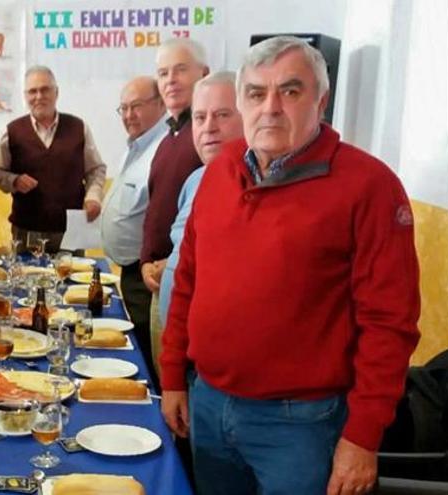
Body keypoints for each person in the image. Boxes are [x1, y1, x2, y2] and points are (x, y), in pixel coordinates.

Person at [160, 36, 421, 495]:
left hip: (301, 425)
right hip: (209, 404)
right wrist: (173, 377)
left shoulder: (370, 187)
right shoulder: (219, 174)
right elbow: (188, 282)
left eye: (291, 90)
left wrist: (363, 436)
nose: (272, 107)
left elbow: (390, 323)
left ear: (321, 101)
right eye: (257, 93)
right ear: (242, 101)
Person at [140, 38, 208, 377]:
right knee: (164, 382)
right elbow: (158, 209)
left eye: (180, 70)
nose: (170, 80)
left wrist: (172, 260)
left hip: (184, 283)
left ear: (204, 74)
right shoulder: (170, 137)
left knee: (177, 389)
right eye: (163, 73)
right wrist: (146, 261)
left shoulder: (208, 139)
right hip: (157, 279)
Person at [156, 71, 242, 339]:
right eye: (200, 117)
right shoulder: (195, 180)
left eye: (222, 115)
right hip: (177, 343)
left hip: (216, 353)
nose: (209, 127)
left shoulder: (256, 190)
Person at [0, 65, 107, 253]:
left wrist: (93, 197)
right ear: (25, 96)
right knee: (25, 281)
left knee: (73, 281)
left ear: (57, 92)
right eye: (32, 91)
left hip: (72, 231)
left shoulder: (79, 128)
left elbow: (96, 169)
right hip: (26, 232)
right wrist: (14, 181)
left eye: (45, 89)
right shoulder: (11, 132)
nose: (39, 96)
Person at [100, 76, 167, 381]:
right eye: (124, 108)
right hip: (129, 271)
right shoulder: (137, 146)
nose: (128, 115)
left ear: (160, 103)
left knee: (144, 359)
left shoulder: (163, 147)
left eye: (136, 106)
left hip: (147, 275)